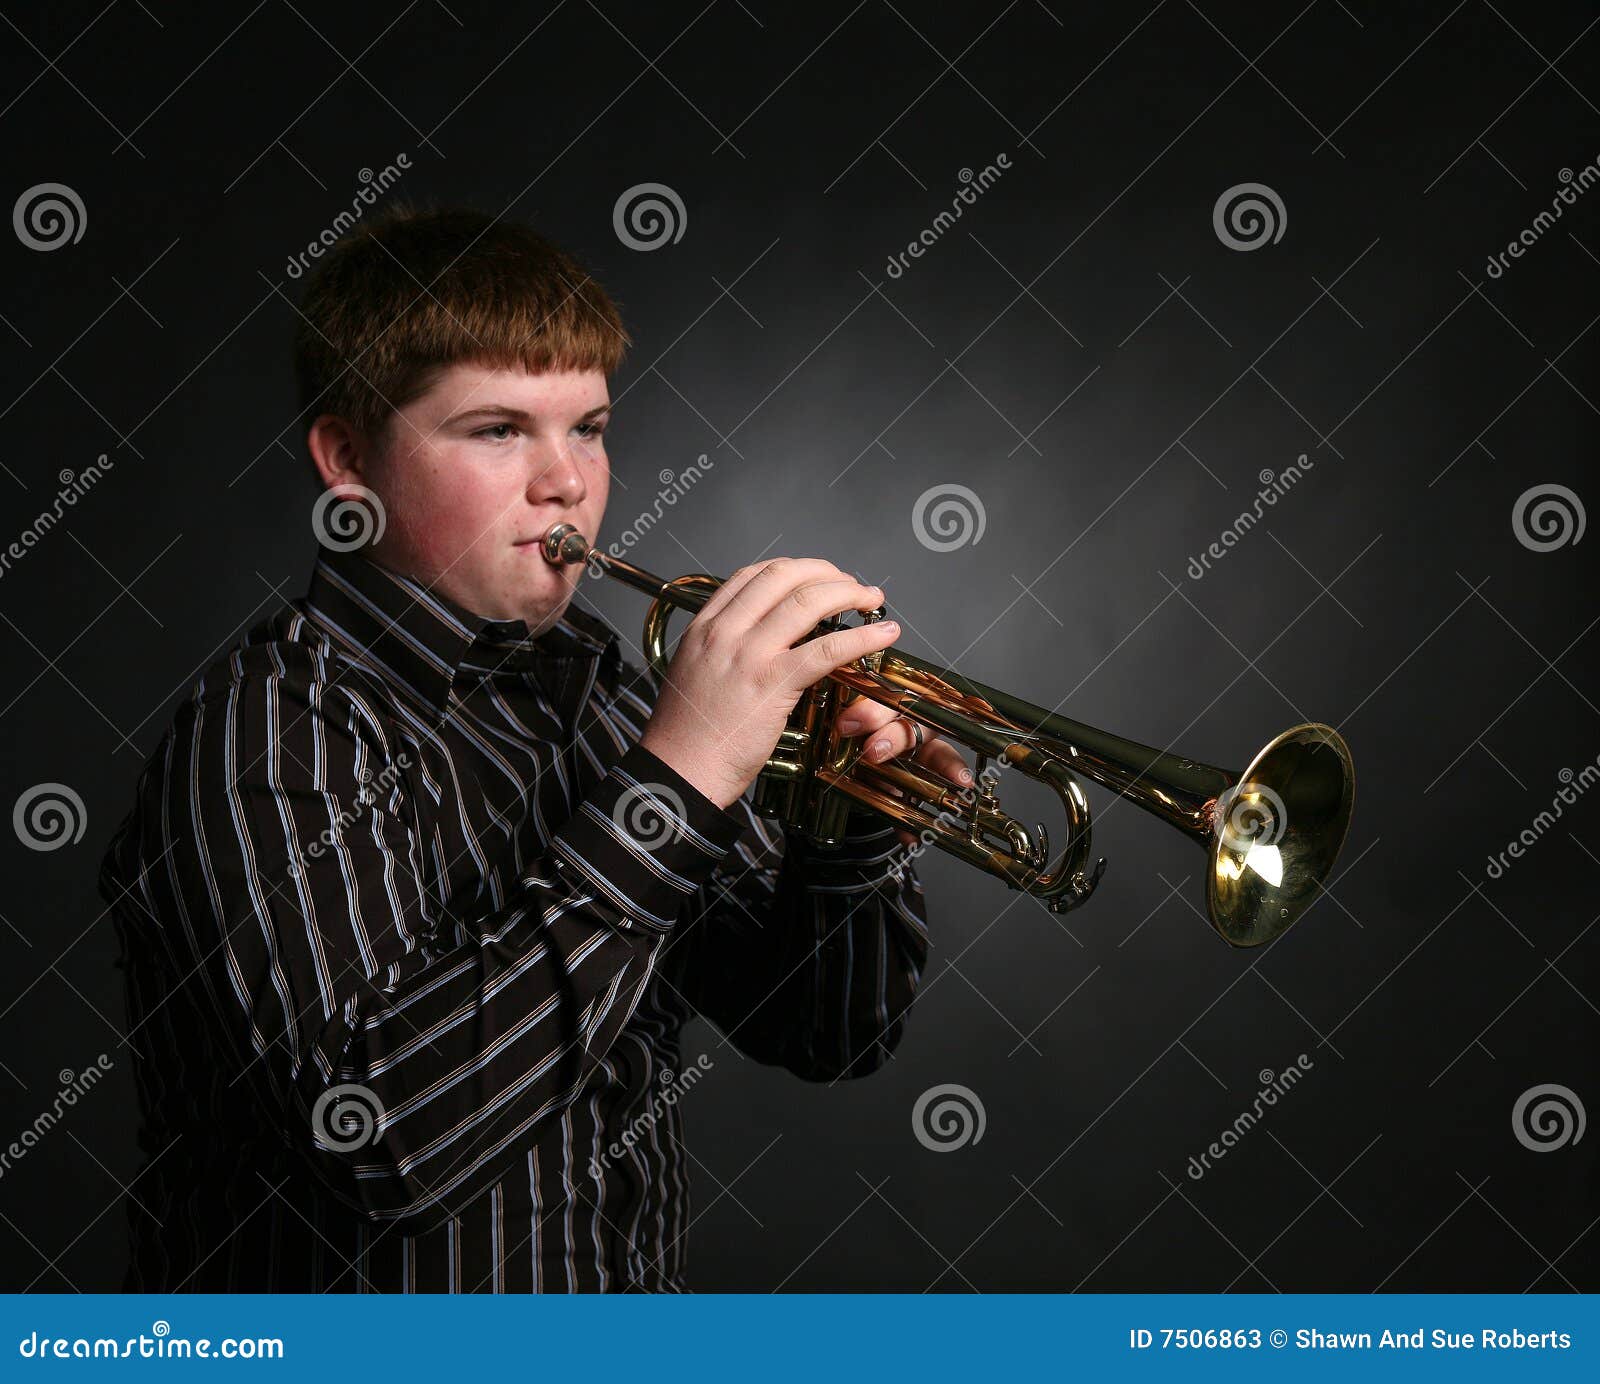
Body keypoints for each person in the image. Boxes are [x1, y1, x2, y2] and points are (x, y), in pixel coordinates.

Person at [99, 206, 970, 1292]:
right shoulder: (265, 731)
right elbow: (382, 1138)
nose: (567, 482)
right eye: (497, 430)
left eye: (589, 427)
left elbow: (823, 1032)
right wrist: (680, 777)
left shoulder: (601, 695)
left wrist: (852, 830)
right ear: (348, 458)